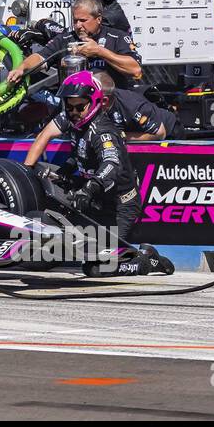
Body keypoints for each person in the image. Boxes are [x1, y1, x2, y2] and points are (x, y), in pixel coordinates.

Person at [30, 71, 174, 277]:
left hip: (119, 206)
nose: (74, 112)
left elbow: (111, 163)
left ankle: (147, 260)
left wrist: (89, 188)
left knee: (97, 268)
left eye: (80, 107)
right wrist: (63, 173)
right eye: (69, 107)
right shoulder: (75, 123)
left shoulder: (103, 132)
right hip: (95, 202)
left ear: (95, 102)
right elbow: (80, 155)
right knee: (66, 244)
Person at [23, 70, 175, 166]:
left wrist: (123, 136)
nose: (76, 108)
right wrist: (27, 169)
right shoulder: (80, 106)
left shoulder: (131, 105)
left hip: (168, 132)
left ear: (103, 100)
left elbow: (159, 133)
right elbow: (45, 134)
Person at [7, 0, 143, 91]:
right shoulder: (65, 39)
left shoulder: (117, 37)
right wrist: (21, 68)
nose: (78, 26)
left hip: (110, 105)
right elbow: (41, 57)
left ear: (99, 19)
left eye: (83, 20)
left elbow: (135, 70)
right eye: (75, 20)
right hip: (75, 109)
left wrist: (100, 51)